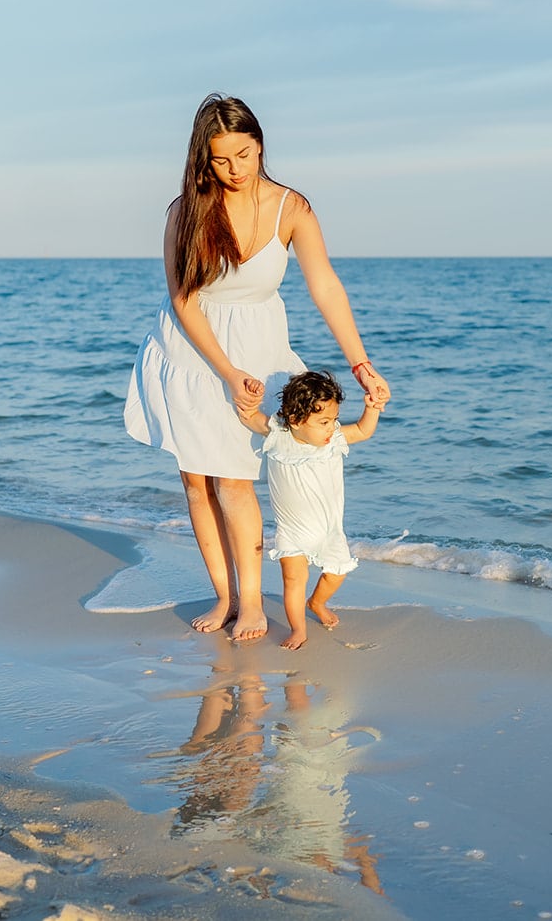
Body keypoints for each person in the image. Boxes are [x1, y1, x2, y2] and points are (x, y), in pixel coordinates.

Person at [125, 94, 391, 642]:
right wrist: (226, 371)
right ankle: (225, 596)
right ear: (204, 158)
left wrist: (360, 363)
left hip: (260, 348)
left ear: (260, 146)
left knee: (237, 477)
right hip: (193, 349)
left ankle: (251, 603)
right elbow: (183, 301)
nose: (235, 169)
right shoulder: (185, 211)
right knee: (197, 480)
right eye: (221, 159)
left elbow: (325, 286)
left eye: (244, 155)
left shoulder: (291, 208)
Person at [236, 371, 383, 651]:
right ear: (295, 420)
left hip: (329, 530)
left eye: (334, 419)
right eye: (324, 422)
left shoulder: (334, 439)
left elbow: (364, 431)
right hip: (292, 531)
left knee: (336, 573)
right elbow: (250, 417)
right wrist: (250, 398)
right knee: (293, 579)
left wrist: (372, 407)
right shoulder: (278, 433)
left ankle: (316, 602)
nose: (331, 427)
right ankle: (298, 629)